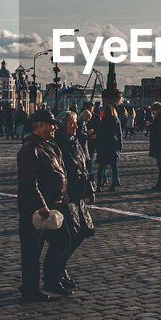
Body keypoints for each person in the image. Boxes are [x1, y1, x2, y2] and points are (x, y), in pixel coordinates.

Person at [15, 108, 68, 302]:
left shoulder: (48, 145)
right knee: (31, 250)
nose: (55, 128)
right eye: (52, 125)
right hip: (36, 208)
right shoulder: (31, 149)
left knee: (63, 240)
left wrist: (64, 192)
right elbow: (29, 181)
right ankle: (30, 289)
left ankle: (51, 279)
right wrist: (41, 205)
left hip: (53, 203)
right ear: (42, 126)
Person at [50, 111, 97, 294]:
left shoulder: (74, 142)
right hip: (68, 197)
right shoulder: (59, 144)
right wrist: (65, 191)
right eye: (72, 123)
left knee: (81, 232)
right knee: (68, 236)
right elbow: (61, 171)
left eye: (76, 123)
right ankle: (56, 271)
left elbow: (85, 165)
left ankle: (60, 268)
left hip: (78, 195)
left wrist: (90, 189)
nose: (76, 127)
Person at [94, 105, 123, 191]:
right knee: (114, 167)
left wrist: (96, 145)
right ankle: (113, 185)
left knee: (101, 167)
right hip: (112, 144)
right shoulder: (116, 120)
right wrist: (120, 145)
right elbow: (119, 134)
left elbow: (99, 134)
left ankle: (99, 185)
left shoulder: (102, 120)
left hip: (103, 144)